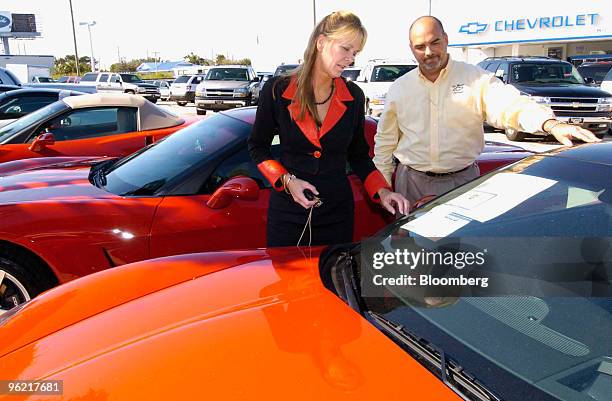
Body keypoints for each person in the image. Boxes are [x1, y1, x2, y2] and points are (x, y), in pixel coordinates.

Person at [374, 16, 601, 205]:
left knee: (459, 251)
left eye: (434, 42)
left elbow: (510, 105)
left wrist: (551, 124)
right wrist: (384, 189)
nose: (428, 52)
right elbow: (384, 144)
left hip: (462, 182)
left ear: (445, 40)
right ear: (412, 48)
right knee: (410, 250)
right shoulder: (400, 88)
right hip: (411, 183)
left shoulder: (475, 78)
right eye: (420, 46)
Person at [248, 11, 409, 247]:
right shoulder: (276, 90)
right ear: (321, 42)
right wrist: (288, 181)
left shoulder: (354, 96)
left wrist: (383, 191)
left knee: (333, 283)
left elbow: (359, 156)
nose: (350, 59)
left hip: (337, 215)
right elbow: (257, 147)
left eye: (355, 53)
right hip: (287, 216)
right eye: (346, 49)